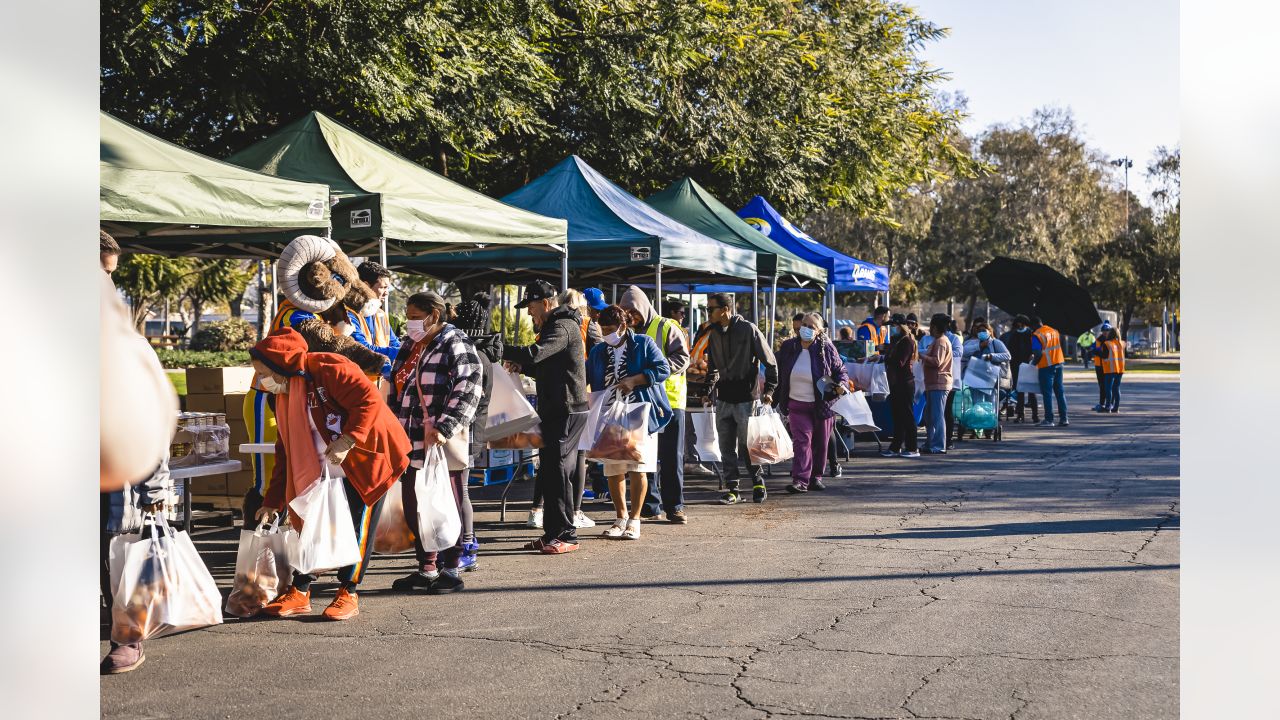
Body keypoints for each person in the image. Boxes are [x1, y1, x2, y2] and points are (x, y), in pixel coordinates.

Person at [251, 327, 411, 621]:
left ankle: (348, 591)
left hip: (366, 458)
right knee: (310, 524)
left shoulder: (328, 367)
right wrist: (273, 500)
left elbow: (369, 402)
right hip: (324, 469)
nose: (261, 380)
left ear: (280, 364)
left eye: (263, 372)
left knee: (356, 524)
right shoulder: (285, 395)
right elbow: (285, 450)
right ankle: (300, 590)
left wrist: (348, 439)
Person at [99, 233, 179, 674]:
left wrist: (156, 486)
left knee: (115, 563)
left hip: (108, 480)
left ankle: (125, 638)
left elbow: (147, 415)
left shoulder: (123, 342)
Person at [386, 291, 483, 593]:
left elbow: (469, 385)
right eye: (409, 316)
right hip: (409, 440)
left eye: (416, 316)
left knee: (445, 504)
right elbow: (396, 386)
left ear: (434, 316)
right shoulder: (410, 345)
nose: (410, 322)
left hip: (439, 442)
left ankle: (451, 567)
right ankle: (427, 567)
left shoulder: (455, 343)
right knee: (415, 505)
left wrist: (446, 426)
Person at [502, 280, 589, 554]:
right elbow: (549, 368)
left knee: (559, 471)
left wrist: (501, 348)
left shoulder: (562, 326)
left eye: (531, 306)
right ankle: (553, 532)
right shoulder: (556, 326)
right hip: (559, 409)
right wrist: (525, 368)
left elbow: (536, 354)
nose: (529, 313)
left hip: (567, 410)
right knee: (551, 472)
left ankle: (567, 534)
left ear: (547, 303)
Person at [586, 305, 672, 540]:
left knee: (638, 468)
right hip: (609, 415)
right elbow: (583, 375)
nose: (606, 334)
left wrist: (636, 380)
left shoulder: (643, 343)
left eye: (611, 329)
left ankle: (635, 520)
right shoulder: (598, 352)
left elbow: (663, 368)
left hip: (639, 413)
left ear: (623, 326)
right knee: (613, 468)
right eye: (603, 330)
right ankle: (620, 517)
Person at [620, 286, 691, 524]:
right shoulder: (628, 333)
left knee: (672, 457)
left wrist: (652, 372)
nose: (632, 317)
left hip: (670, 401)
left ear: (643, 306)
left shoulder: (666, 326)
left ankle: (675, 506)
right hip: (642, 403)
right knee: (644, 457)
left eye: (634, 311)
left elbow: (682, 358)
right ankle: (650, 505)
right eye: (627, 312)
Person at [702, 292, 778, 504]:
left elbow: (770, 362)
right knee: (726, 447)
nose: (708, 313)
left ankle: (757, 482)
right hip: (723, 398)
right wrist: (707, 391)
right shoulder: (713, 334)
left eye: (710, 309)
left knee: (748, 446)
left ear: (725, 309)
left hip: (747, 398)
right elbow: (712, 368)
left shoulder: (748, 329)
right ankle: (732, 489)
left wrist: (770, 391)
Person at [449, 294, 500, 571]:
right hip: (471, 431)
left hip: (466, 432)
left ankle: (467, 545)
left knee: (461, 491)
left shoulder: (473, 355)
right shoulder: (483, 352)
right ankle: (465, 543)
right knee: (461, 489)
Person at [775, 312, 848, 492]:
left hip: (822, 405)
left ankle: (816, 476)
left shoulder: (826, 349)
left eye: (811, 327)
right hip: (796, 404)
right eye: (804, 324)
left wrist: (842, 385)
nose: (805, 329)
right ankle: (800, 480)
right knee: (801, 442)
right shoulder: (788, 347)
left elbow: (841, 371)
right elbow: (775, 369)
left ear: (819, 331)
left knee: (821, 444)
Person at [558, 288, 603, 528]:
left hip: (561, 392)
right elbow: (599, 357)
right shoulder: (587, 325)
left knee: (559, 453)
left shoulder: (552, 325)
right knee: (580, 453)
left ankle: (540, 509)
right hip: (582, 394)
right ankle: (575, 511)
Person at [352, 260, 401, 384]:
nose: (387, 292)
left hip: (378, 385)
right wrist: (402, 352)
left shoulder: (380, 314)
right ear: (365, 286)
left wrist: (404, 349)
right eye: (383, 287)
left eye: (387, 287)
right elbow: (362, 348)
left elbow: (394, 342)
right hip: (356, 384)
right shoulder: (348, 314)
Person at [881, 314, 920, 458]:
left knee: (907, 416)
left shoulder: (907, 342)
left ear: (899, 326)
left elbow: (900, 362)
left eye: (893, 326)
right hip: (896, 383)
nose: (891, 329)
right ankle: (896, 446)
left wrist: (886, 358)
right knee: (897, 416)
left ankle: (912, 447)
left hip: (905, 382)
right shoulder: (898, 341)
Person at [919, 315, 954, 454]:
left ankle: (939, 445)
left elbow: (936, 362)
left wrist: (920, 355)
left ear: (936, 327)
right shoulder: (939, 341)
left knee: (937, 416)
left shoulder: (941, 342)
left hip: (939, 383)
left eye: (932, 326)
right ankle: (930, 443)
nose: (930, 329)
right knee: (930, 416)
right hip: (933, 383)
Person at [961, 317, 1011, 407]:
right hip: (975, 376)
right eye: (979, 331)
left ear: (990, 331)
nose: (981, 332)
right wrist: (979, 346)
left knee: (991, 404)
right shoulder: (972, 342)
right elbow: (963, 352)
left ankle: (991, 420)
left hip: (990, 377)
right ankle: (979, 420)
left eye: (984, 330)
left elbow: (1007, 356)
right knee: (977, 404)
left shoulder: (996, 343)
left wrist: (992, 356)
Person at [1000, 314, 1040, 424]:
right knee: (1020, 391)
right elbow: (1010, 351)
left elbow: (1035, 349)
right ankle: (1020, 414)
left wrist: (1032, 356)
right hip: (1017, 365)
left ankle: (1035, 415)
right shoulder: (1014, 335)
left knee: (1032, 391)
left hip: (1030, 365)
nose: (1019, 326)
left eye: (1021, 324)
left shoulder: (1031, 334)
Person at [1030, 316, 1068, 427]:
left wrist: (1033, 364)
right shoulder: (1054, 331)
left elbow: (1038, 353)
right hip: (1059, 363)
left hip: (1046, 366)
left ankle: (1049, 419)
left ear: (1033, 325)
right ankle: (1064, 418)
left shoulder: (1036, 335)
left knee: (1047, 393)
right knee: (1059, 392)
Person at [1095, 327, 1125, 413]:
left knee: (1108, 388)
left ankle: (1108, 406)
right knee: (1116, 388)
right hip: (1120, 369)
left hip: (1110, 369)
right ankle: (1116, 407)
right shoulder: (1122, 343)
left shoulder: (1107, 344)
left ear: (1110, 334)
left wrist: (1096, 352)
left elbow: (1104, 356)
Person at [1091, 322, 1113, 411]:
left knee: (1109, 386)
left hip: (1108, 366)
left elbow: (1104, 354)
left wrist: (1097, 351)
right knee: (1101, 386)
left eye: (1107, 330)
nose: (1105, 332)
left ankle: (1110, 403)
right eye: (1103, 330)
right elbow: (1093, 349)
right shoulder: (1098, 340)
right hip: (1099, 366)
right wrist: (1095, 351)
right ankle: (1102, 403)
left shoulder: (1111, 341)